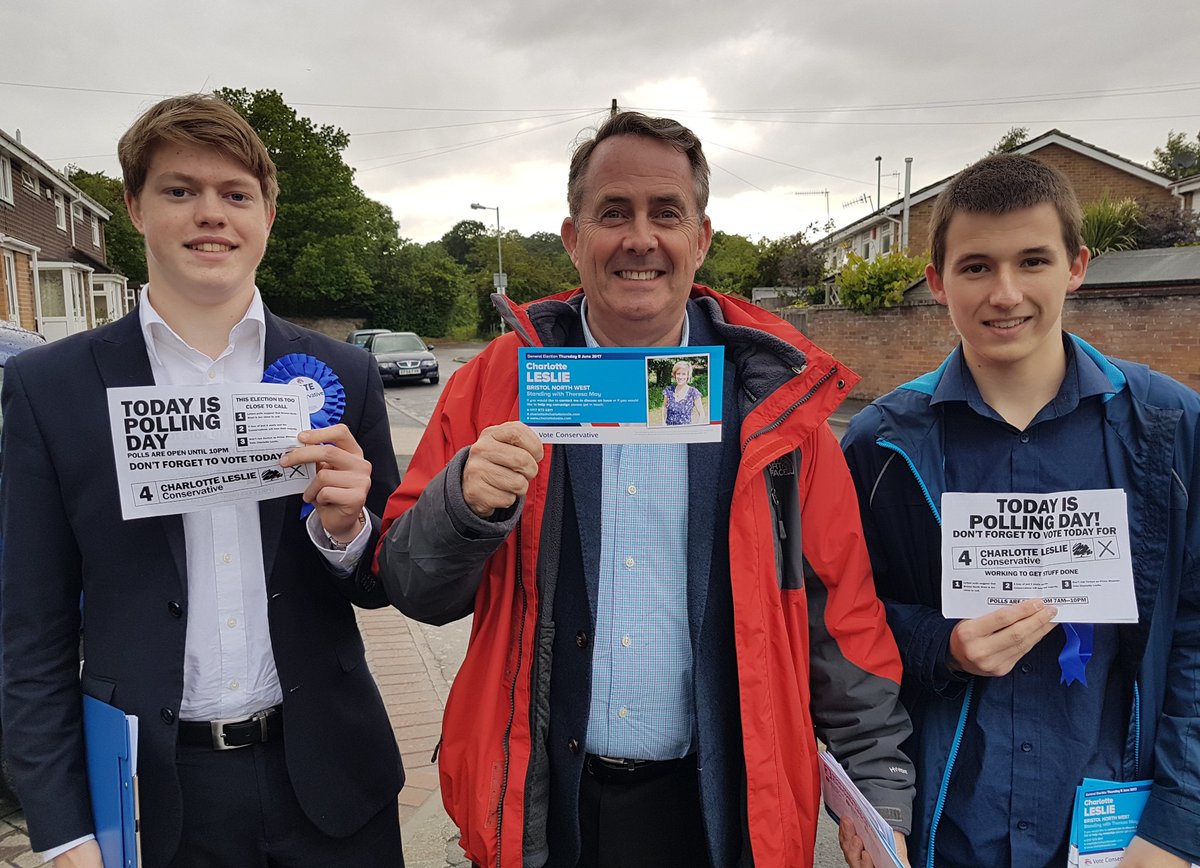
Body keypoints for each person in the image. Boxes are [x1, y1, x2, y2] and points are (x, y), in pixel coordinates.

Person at [374, 111, 914, 868]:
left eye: (667, 213)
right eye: (613, 213)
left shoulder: (773, 403)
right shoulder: (493, 386)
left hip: (718, 810)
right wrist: (461, 506)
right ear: (573, 238)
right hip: (545, 807)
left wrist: (877, 785)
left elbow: (840, 610)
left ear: (702, 238)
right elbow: (412, 587)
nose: (640, 238)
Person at [0, 94, 405, 867]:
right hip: (155, 798)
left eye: (235, 194)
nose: (210, 213)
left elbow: (380, 583)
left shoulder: (343, 374)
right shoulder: (51, 389)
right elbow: (30, 630)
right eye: (180, 190)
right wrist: (62, 831)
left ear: (267, 216)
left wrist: (350, 532)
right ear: (134, 207)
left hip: (331, 783)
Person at [840, 154, 1200, 867]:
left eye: (1033, 261)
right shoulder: (880, 444)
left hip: (1121, 839)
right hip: (946, 831)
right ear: (937, 282)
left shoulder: (1170, 428)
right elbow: (844, 625)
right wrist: (942, 645)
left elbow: (1193, 630)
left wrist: (1177, 822)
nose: (1005, 294)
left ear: (1076, 266)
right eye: (976, 267)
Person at [662, 360, 704, 426]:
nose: (680, 377)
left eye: (683, 374)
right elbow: (664, 407)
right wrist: (663, 422)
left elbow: (702, 414)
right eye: (678, 373)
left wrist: (696, 429)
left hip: (685, 431)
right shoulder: (669, 390)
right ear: (675, 375)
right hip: (669, 429)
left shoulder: (693, 392)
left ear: (688, 376)